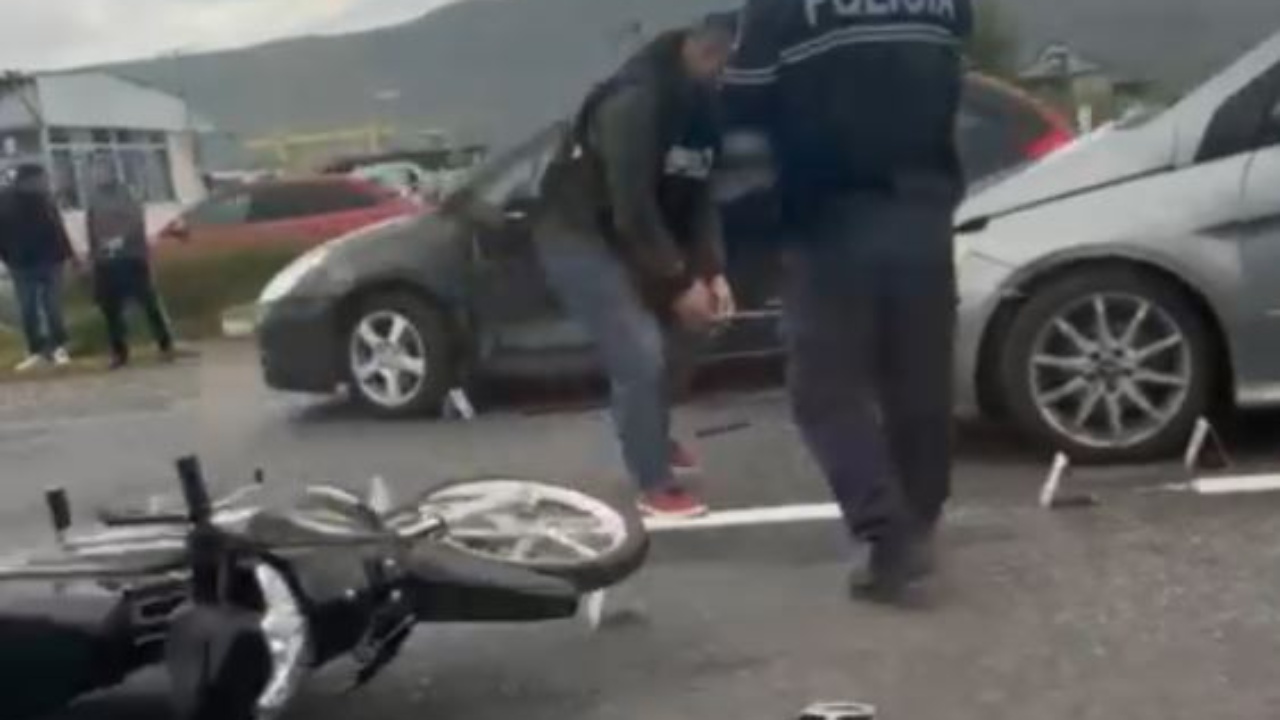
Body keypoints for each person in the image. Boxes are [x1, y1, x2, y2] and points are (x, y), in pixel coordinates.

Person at [723, 0, 973, 601]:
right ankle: (918, 521)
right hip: (925, 207)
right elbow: (951, 84)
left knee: (824, 385)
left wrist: (751, 237)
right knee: (919, 377)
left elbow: (742, 114)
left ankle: (886, 533)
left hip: (828, 217)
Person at [535, 16, 739, 519]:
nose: (728, 76)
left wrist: (712, 273)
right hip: (579, 236)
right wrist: (678, 282)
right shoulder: (635, 101)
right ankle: (654, 484)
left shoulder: (706, 104)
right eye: (724, 64)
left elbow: (700, 196)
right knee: (640, 352)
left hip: (636, 237)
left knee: (697, 325)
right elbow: (633, 209)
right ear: (701, 51)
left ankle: (650, 430)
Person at [86, 172, 175, 369]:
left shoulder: (127, 194)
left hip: (131, 256)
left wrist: (121, 239)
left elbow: (136, 220)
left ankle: (165, 343)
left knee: (149, 302)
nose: (99, 174)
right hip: (105, 260)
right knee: (110, 308)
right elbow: (91, 227)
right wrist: (93, 255)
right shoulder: (94, 198)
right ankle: (119, 352)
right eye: (96, 169)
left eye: (103, 168)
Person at [0, 164, 78, 371]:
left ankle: (59, 346)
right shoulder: (5, 202)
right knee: (28, 309)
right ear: (27, 181)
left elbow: (58, 228)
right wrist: (7, 258)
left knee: (52, 306)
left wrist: (70, 256)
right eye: (41, 180)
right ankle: (37, 350)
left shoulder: (45, 201)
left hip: (51, 261)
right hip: (22, 264)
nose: (45, 184)